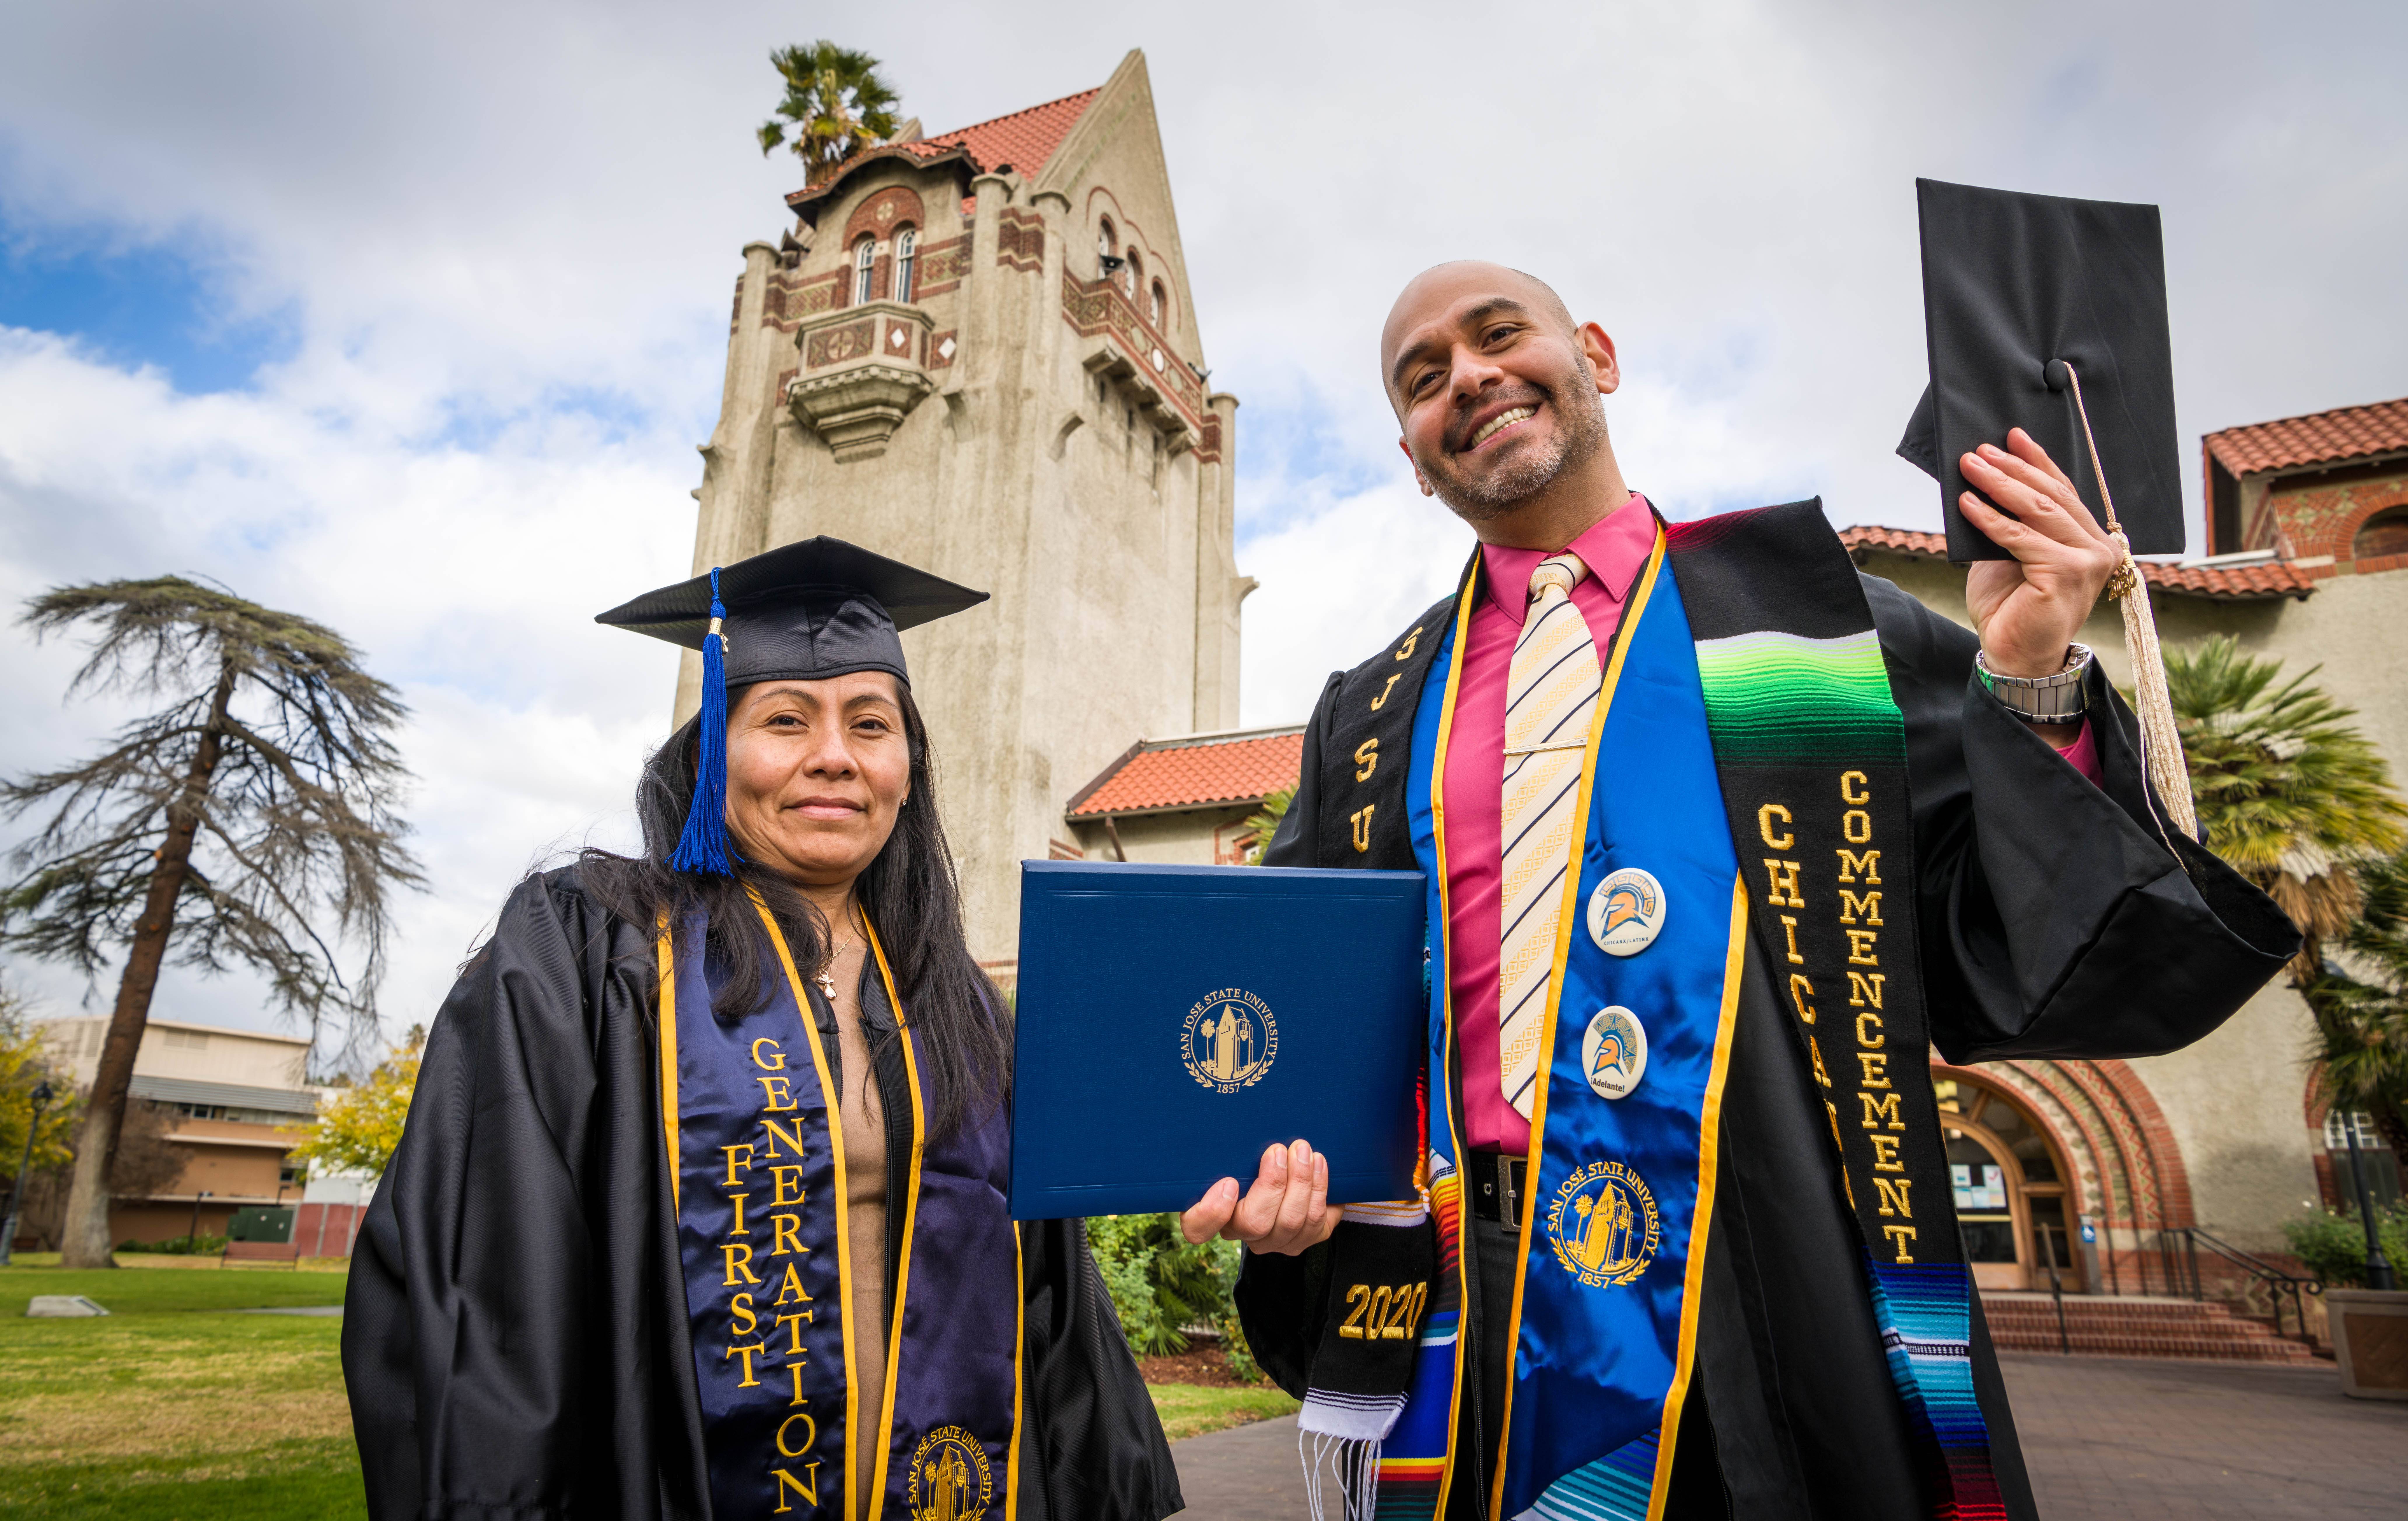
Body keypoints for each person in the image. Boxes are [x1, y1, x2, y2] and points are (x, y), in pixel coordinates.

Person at [1182, 263, 2296, 1520]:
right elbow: (1292, 989)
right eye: (1425, 378)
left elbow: (1993, 937)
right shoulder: (1374, 710)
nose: (1470, 378)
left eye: (1500, 339)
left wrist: (2032, 677)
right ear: (1412, 455)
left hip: (1753, 1268)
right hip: (1462, 1284)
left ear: (1597, 354)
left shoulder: (1811, 638)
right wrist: (1253, 1160)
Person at [344, 537, 1182, 1521]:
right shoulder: (591, 953)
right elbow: (491, 1284)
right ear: (710, 758)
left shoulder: (958, 1008)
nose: (835, 756)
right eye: (785, 719)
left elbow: (1052, 1308)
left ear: (907, 770)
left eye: (872, 725)